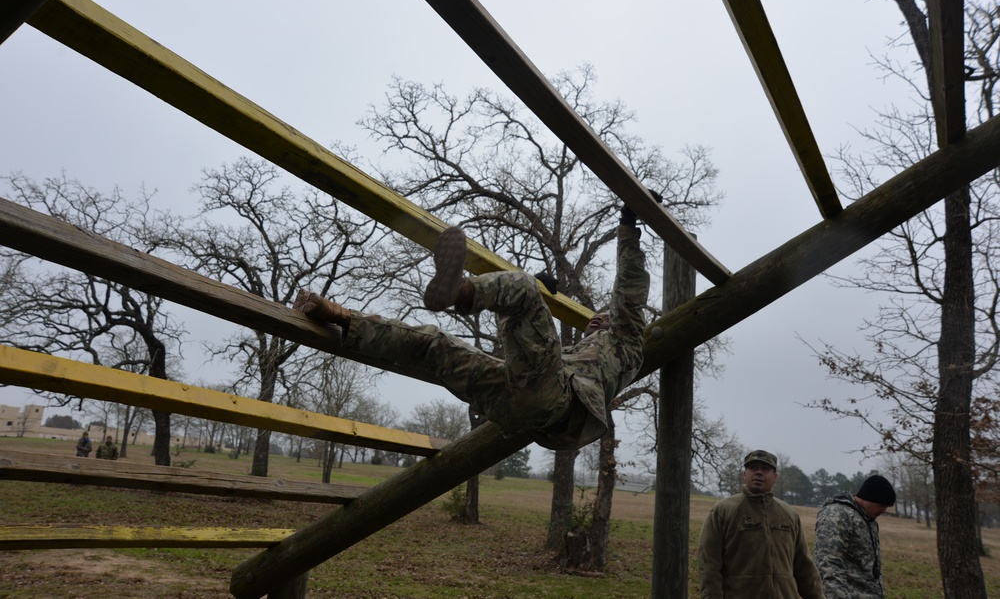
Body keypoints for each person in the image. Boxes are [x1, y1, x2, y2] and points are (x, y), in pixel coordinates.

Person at [293, 196, 653, 451]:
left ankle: (461, 292)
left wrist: (628, 226)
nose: (598, 316)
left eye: (605, 317)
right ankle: (342, 317)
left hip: (558, 405)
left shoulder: (626, 344)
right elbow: (531, 346)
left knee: (524, 291)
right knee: (436, 346)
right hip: (514, 405)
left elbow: (629, 294)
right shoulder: (579, 354)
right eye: (597, 314)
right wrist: (543, 290)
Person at [697, 450, 824, 599]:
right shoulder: (723, 511)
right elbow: (709, 566)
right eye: (753, 468)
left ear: (775, 477)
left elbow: (805, 568)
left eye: (765, 469)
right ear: (745, 475)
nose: (758, 472)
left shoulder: (789, 515)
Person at [814, 474, 896, 598]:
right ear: (869, 498)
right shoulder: (837, 515)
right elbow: (828, 565)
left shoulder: (868, 520)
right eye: (882, 505)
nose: (884, 510)